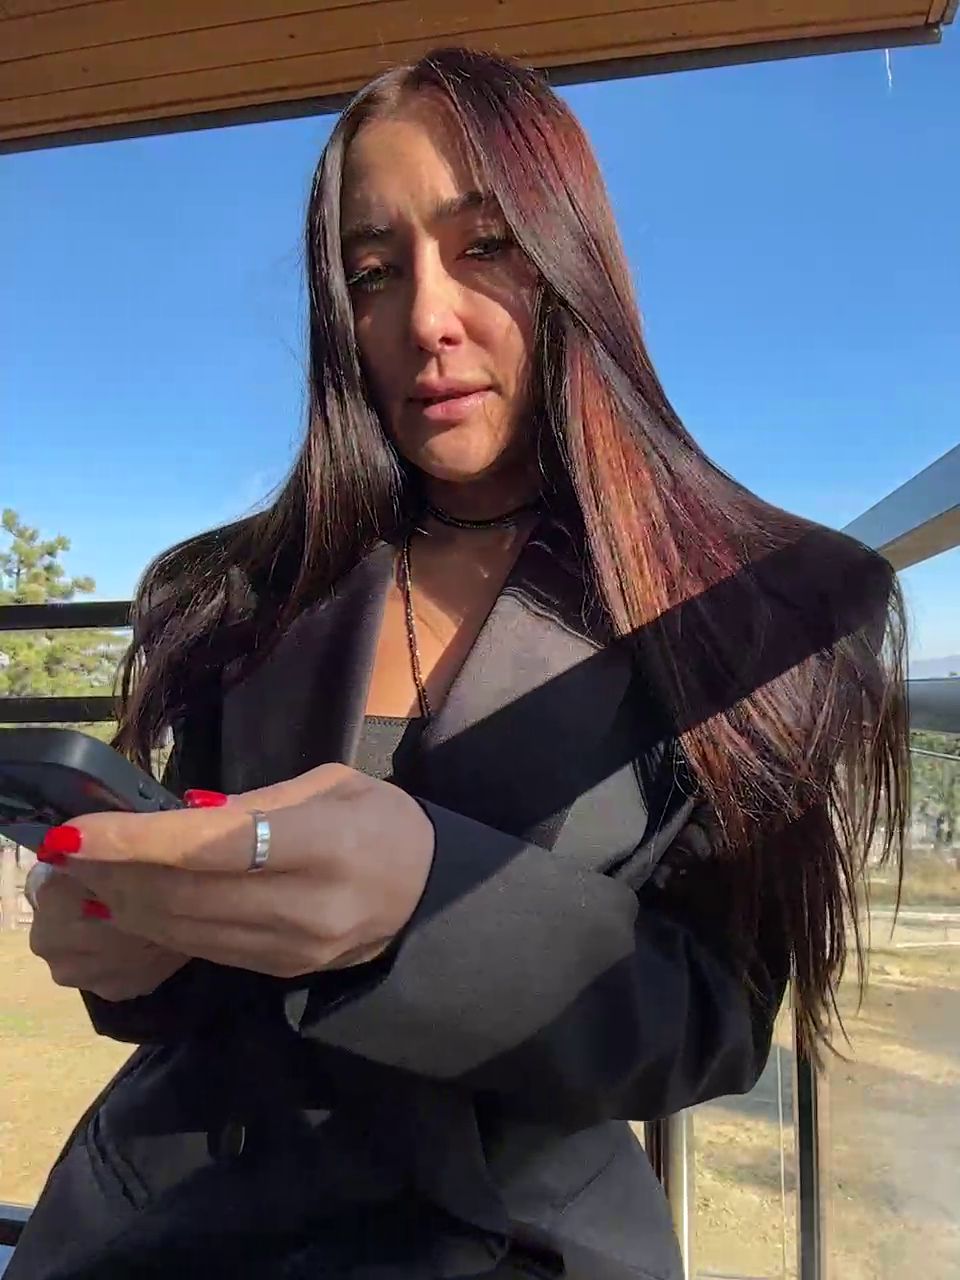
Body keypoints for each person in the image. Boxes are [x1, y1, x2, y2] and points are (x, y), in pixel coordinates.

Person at [15, 46, 907, 1280]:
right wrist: (125, 950)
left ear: (573, 260)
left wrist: (422, 907)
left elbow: (712, 1018)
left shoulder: (757, 606)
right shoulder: (235, 593)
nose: (425, 317)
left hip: (511, 1240)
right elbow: (200, 957)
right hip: (178, 1221)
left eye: (484, 246)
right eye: (374, 272)